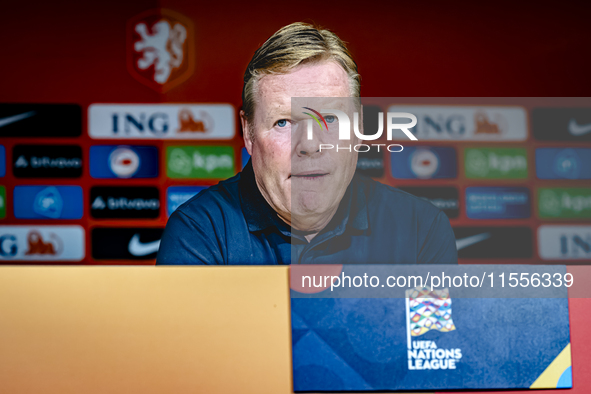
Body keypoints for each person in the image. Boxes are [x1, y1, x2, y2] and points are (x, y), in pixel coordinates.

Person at [156, 22, 457, 265]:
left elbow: (431, 338)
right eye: (283, 122)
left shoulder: (421, 230)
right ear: (248, 133)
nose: (310, 145)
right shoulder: (199, 232)